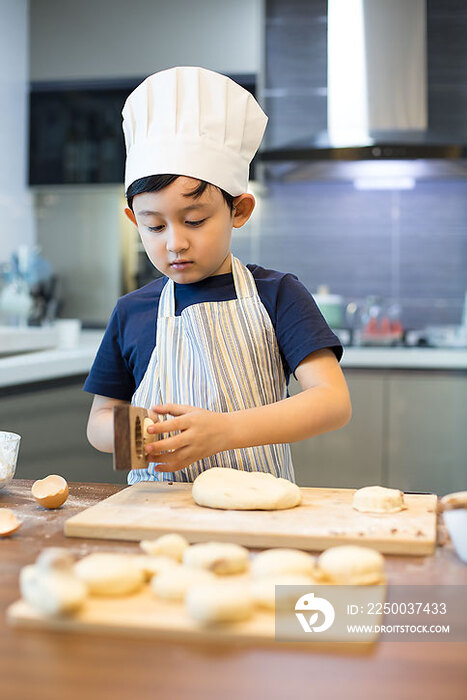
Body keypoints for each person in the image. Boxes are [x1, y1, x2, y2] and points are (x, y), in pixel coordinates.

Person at [84, 66, 351, 484]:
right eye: (154, 226)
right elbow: (100, 420)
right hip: (153, 516)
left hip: (257, 516)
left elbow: (332, 401)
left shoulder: (277, 294)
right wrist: (144, 437)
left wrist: (224, 431)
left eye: (194, 220)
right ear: (133, 219)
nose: (174, 243)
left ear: (239, 211)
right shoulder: (132, 310)